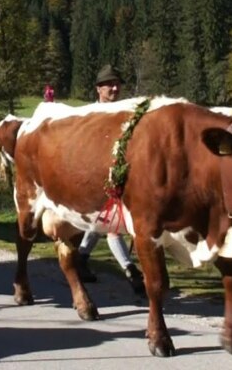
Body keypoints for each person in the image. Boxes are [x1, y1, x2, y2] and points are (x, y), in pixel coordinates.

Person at [76, 64, 145, 295]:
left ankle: (81, 259)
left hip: (119, 171)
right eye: (109, 85)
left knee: (102, 220)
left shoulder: (125, 111)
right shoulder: (89, 114)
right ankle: (131, 271)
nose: (115, 88)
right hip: (94, 173)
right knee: (111, 223)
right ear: (98, 89)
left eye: (117, 84)